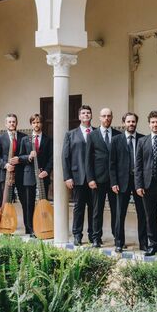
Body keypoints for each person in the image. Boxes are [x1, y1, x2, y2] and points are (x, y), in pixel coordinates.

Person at [109, 112, 147, 253]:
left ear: (136, 123)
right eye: (128, 121)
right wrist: (113, 182)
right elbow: (112, 163)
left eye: (133, 121)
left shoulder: (143, 139)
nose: (131, 124)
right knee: (120, 213)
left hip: (139, 181)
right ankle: (119, 242)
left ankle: (143, 243)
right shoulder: (116, 140)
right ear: (124, 122)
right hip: (122, 181)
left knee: (142, 213)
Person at [135, 110, 157, 256]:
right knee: (149, 216)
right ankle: (153, 244)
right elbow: (138, 165)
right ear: (149, 124)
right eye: (152, 122)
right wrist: (138, 185)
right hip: (147, 185)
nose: (155, 125)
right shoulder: (142, 141)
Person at [87, 108, 120, 247]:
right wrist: (90, 178)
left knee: (116, 211)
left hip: (114, 181)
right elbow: (88, 159)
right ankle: (96, 238)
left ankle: (117, 237)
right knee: (97, 210)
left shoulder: (118, 135)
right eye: (104, 116)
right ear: (99, 118)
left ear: (112, 117)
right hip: (98, 179)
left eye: (109, 116)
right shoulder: (92, 135)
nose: (106, 118)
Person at [63, 105, 95, 245]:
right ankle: (77, 234)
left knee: (94, 208)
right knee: (79, 207)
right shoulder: (71, 134)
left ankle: (94, 235)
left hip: (95, 178)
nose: (86, 115)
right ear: (79, 116)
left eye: (88, 113)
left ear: (91, 115)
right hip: (78, 177)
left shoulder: (96, 133)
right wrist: (67, 176)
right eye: (83, 113)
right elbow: (65, 157)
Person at [17, 114, 53, 236]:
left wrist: (47, 171)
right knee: (29, 203)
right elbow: (20, 157)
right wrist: (28, 157)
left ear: (41, 124)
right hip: (29, 176)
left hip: (43, 175)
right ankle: (30, 228)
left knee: (43, 201)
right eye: (34, 122)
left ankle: (43, 225)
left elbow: (51, 158)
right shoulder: (25, 140)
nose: (36, 125)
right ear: (31, 124)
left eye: (38, 122)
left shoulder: (48, 139)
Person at [0, 114, 26, 231]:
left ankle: (29, 228)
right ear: (6, 124)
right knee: (4, 200)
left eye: (14, 121)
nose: (12, 124)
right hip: (6, 175)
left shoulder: (23, 137)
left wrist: (20, 159)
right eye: (9, 122)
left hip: (21, 174)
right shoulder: (0, 138)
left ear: (17, 123)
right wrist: (6, 165)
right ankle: (3, 225)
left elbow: (26, 155)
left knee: (24, 201)